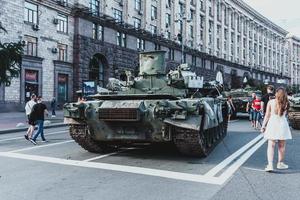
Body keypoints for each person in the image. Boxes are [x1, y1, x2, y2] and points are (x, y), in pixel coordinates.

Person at [261, 87, 292, 172]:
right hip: (282, 124)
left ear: (276, 94)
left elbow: (267, 115)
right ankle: (280, 163)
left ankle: (270, 165)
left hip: (272, 124)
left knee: (271, 145)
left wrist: (263, 126)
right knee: (281, 146)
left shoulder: (271, 102)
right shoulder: (286, 103)